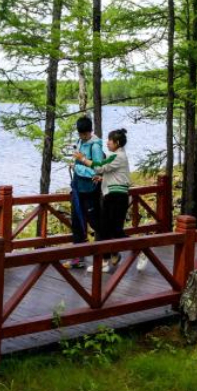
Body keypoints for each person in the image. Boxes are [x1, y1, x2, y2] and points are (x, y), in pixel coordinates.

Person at [75, 128, 130, 273]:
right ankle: (107, 260)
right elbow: (111, 173)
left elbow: (99, 167)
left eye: (110, 140)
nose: (107, 143)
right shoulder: (117, 156)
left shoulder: (117, 157)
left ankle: (141, 249)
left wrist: (82, 159)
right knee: (109, 229)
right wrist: (102, 178)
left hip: (116, 196)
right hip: (115, 196)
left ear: (117, 142)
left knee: (113, 230)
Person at [64, 115, 104, 269]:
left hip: (90, 190)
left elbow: (97, 170)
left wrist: (77, 167)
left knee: (96, 223)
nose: (81, 137)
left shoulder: (95, 146)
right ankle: (78, 257)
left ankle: (111, 250)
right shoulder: (80, 142)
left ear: (89, 132)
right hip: (78, 188)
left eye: (83, 134)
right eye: (80, 134)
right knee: (76, 222)